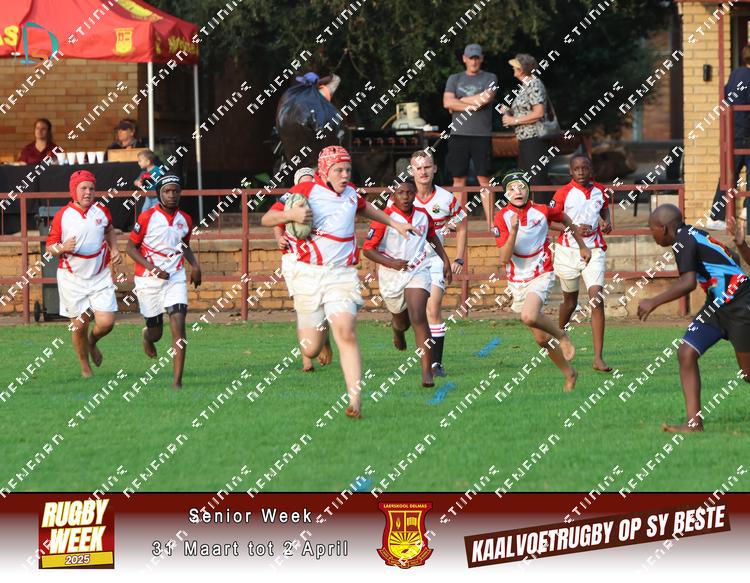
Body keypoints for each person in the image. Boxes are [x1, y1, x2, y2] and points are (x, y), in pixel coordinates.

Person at [259, 145, 415, 418]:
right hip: (308, 274)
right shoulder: (305, 191)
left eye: (347, 169)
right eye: (339, 170)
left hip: (341, 275)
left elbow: (366, 208)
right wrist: (291, 216)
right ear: (324, 171)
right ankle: (319, 332)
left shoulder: (351, 193)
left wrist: (396, 223)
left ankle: (355, 401)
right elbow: (267, 218)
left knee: (347, 332)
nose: (345, 175)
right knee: (311, 347)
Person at [638, 204, 750, 432]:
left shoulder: (684, 240)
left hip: (740, 304)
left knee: (748, 375)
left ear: (663, 228)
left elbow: (688, 283)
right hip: (716, 307)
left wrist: (653, 301)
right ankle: (694, 423)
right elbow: (734, 259)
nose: (652, 235)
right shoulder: (693, 234)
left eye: (652, 230)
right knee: (686, 353)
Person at [493, 170, 590, 392]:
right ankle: (570, 373)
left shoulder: (542, 210)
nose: (517, 191)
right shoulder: (501, 218)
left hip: (541, 272)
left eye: (521, 186)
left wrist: (582, 245)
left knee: (529, 316)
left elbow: (564, 219)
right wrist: (514, 231)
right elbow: (504, 259)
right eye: (511, 188)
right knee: (541, 339)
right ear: (505, 194)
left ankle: (562, 334)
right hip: (517, 280)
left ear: (528, 189)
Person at [363, 180, 453, 387]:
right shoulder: (384, 218)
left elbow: (432, 237)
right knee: (402, 322)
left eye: (410, 192)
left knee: (419, 316)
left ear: (415, 195)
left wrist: (445, 259)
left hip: (417, 270)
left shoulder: (423, 215)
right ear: (393, 196)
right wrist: (391, 263)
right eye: (401, 192)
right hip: (391, 275)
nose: (405, 196)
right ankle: (397, 329)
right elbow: (367, 249)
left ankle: (427, 372)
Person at [126, 174, 201, 389]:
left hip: (175, 277)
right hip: (148, 279)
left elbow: (183, 245)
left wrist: (195, 265)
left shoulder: (185, 219)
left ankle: (177, 382)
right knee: (156, 332)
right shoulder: (147, 217)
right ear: (159, 194)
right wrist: (153, 269)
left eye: (175, 191)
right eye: (167, 191)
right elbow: (130, 248)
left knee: (178, 323)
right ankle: (147, 337)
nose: (171, 195)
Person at [46, 170, 121, 378]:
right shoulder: (63, 215)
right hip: (72, 278)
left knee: (106, 323)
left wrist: (115, 249)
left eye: (91, 188)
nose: (88, 192)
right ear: (74, 191)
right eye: (83, 188)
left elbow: (109, 230)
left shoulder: (102, 211)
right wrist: (62, 247)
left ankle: (92, 342)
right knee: (79, 325)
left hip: (99, 275)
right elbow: (49, 247)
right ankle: (85, 367)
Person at [266, 166, 333, 373]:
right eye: (303, 181)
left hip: (318, 260)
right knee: (303, 309)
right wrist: (279, 238)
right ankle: (307, 361)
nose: (306, 185)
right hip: (293, 259)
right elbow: (275, 219)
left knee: (322, 305)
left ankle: (323, 339)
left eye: (310, 180)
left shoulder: (323, 201)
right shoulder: (290, 199)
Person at [408, 150, 468, 377]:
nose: (423, 172)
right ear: (411, 171)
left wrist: (458, 257)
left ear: (434, 169)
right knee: (413, 315)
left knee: (433, 309)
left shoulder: (446, 198)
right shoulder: (403, 196)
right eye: (418, 168)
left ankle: (435, 364)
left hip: (434, 261)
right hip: (408, 264)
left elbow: (462, 225)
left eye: (427, 167)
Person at [552, 154, 613, 372]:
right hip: (567, 252)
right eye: (576, 169)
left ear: (591, 169)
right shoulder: (563, 193)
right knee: (570, 303)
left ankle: (598, 358)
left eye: (584, 168)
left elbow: (604, 209)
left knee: (597, 298)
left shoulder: (600, 190)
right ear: (571, 171)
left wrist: (607, 222)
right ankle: (559, 336)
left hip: (594, 249)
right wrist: (573, 229)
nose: (581, 172)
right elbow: (549, 221)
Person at [443, 43, 498, 231]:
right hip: (458, 134)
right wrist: (474, 103)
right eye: (470, 58)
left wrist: (459, 101)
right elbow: (447, 102)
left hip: (481, 135)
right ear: (464, 59)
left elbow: (486, 98)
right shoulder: (454, 78)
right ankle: (457, 222)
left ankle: (491, 224)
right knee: (458, 179)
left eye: (476, 58)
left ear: (481, 59)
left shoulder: (490, 77)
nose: (473, 61)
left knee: (484, 179)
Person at [705, 45, 750, 231]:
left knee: (728, 175)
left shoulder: (735, 74)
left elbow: (725, 96)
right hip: (747, 132)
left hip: (733, 132)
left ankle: (716, 216)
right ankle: (747, 214)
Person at [501, 54, 554, 203]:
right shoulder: (525, 86)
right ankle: (531, 212)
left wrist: (514, 120)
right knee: (527, 179)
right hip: (526, 139)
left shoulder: (534, 84)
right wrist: (509, 112)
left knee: (537, 180)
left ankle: (543, 212)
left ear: (522, 69)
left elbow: (539, 112)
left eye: (515, 66)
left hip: (535, 139)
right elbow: (526, 111)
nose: (513, 68)